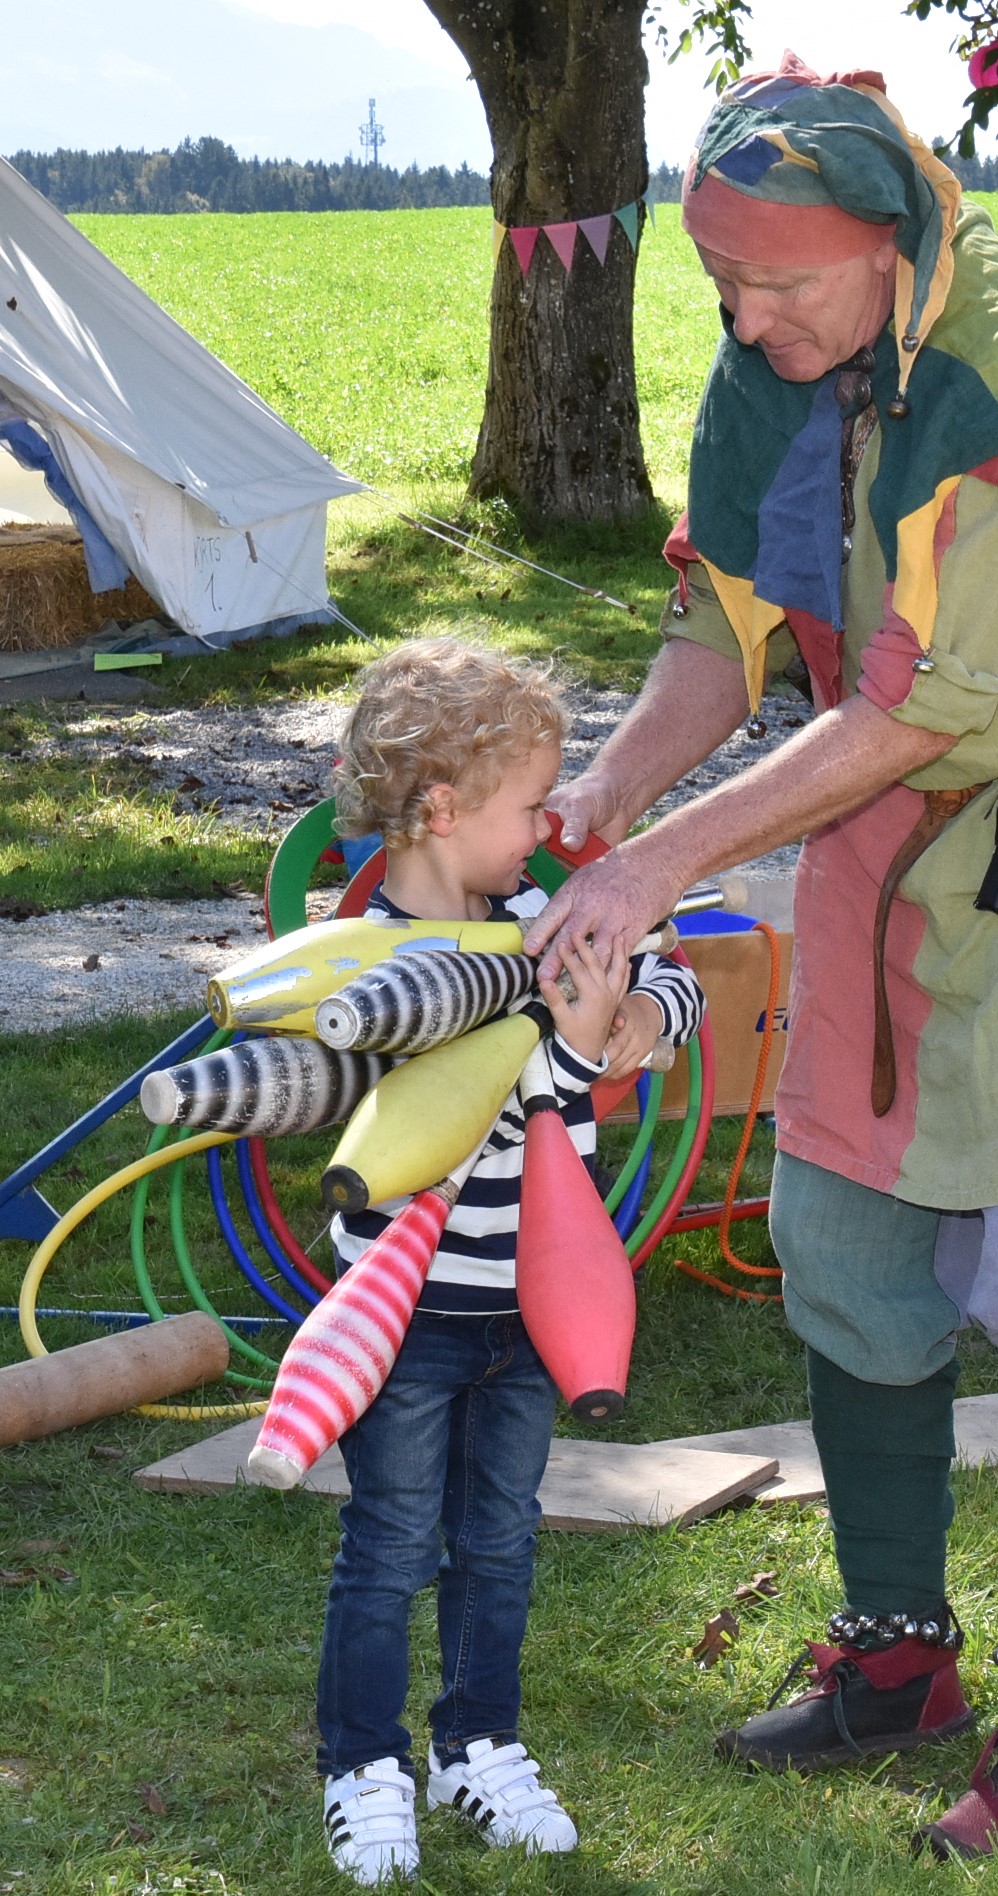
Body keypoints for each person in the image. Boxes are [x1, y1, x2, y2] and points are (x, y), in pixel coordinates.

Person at [524, 55, 998, 1862]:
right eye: (720, 284)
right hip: (882, 844)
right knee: (849, 1247)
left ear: (884, 244)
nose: (745, 319)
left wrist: (663, 861)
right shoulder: (778, 356)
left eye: (774, 284)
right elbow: (724, 620)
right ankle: (895, 1664)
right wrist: (614, 786)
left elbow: (917, 699)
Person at [314, 637, 703, 1887]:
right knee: (390, 1542)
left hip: (534, 1308)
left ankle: (477, 1745)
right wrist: (574, 1042)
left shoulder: (544, 916)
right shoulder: (366, 965)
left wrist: (638, 1014)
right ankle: (362, 1765)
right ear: (441, 809)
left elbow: (675, 972)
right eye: (531, 805)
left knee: (498, 1539)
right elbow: (474, 1097)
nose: (548, 829)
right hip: (406, 1313)